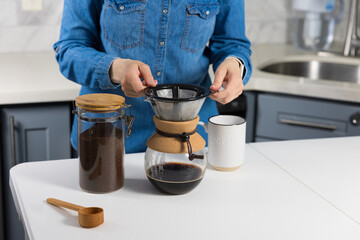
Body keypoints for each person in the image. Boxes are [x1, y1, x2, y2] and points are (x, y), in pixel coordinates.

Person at [54, 0, 252, 153]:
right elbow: (70, 49)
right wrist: (116, 69)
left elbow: (232, 43)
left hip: (193, 141)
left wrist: (235, 64)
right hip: (108, 139)